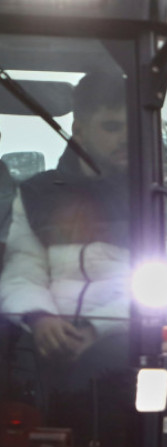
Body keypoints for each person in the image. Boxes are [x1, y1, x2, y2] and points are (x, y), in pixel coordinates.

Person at [0, 71, 129, 363]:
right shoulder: (37, 194)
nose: (125, 138)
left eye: (131, 128)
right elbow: (22, 272)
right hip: (42, 353)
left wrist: (96, 329)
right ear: (79, 130)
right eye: (112, 127)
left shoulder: (157, 197)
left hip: (130, 350)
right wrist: (40, 318)